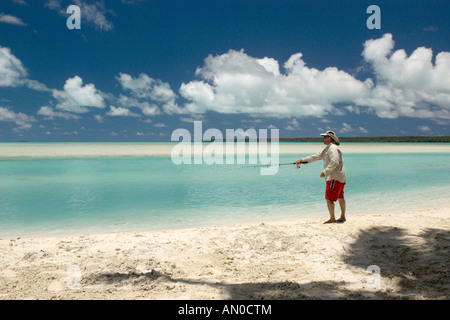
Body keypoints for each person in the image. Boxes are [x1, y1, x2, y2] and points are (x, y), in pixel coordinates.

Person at [296, 130, 346, 224]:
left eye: (325, 137)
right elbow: (316, 156)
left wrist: (325, 172)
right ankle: (342, 217)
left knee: (329, 198)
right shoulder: (328, 149)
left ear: (330, 138)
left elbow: (334, 162)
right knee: (340, 196)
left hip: (333, 177)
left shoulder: (333, 149)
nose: (323, 139)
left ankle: (332, 219)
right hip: (340, 177)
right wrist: (302, 160)